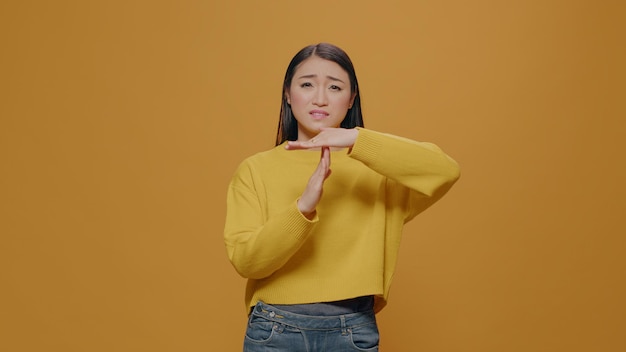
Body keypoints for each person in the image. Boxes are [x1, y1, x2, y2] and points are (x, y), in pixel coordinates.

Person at [224, 42, 460, 351]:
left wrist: (355, 138)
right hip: (274, 330)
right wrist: (303, 207)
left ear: (351, 100)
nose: (320, 98)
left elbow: (445, 170)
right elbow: (247, 261)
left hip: (352, 330)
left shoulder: (379, 171)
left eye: (335, 87)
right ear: (287, 93)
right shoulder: (255, 170)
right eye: (307, 84)